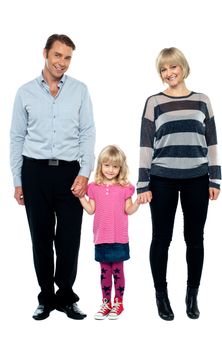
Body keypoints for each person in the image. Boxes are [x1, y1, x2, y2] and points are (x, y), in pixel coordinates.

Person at [10, 34, 95, 320]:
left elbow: (88, 133)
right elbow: (16, 137)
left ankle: (66, 297)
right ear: (45, 53)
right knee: (41, 239)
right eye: (58, 55)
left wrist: (85, 173)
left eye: (68, 57)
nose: (62, 62)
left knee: (69, 239)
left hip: (71, 173)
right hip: (35, 173)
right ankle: (46, 297)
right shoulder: (25, 92)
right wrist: (17, 180)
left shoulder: (80, 90)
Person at [137, 47, 221, 321]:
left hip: (197, 178)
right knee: (161, 239)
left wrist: (215, 178)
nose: (169, 73)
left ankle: (192, 294)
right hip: (162, 180)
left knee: (195, 240)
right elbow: (146, 145)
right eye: (163, 69)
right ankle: (161, 295)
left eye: (173, 67)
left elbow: (212, 143)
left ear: (183, 67)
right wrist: (143, 184)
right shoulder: (154, 102)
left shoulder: (202, 101)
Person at [79, 145, 140, 320]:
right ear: (100, 166)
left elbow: (128, 209)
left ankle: (118, 303)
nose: (111, 170)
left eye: (115, 166)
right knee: (105, 271)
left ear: (121, 168)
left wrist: (138, 202)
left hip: (119, 237)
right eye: (107, 165)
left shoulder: (125, 187)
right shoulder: (93, 187)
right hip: (101, 237)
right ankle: (106, 303)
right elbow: (91, 210)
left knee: (118, 270)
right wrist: (81, 197)